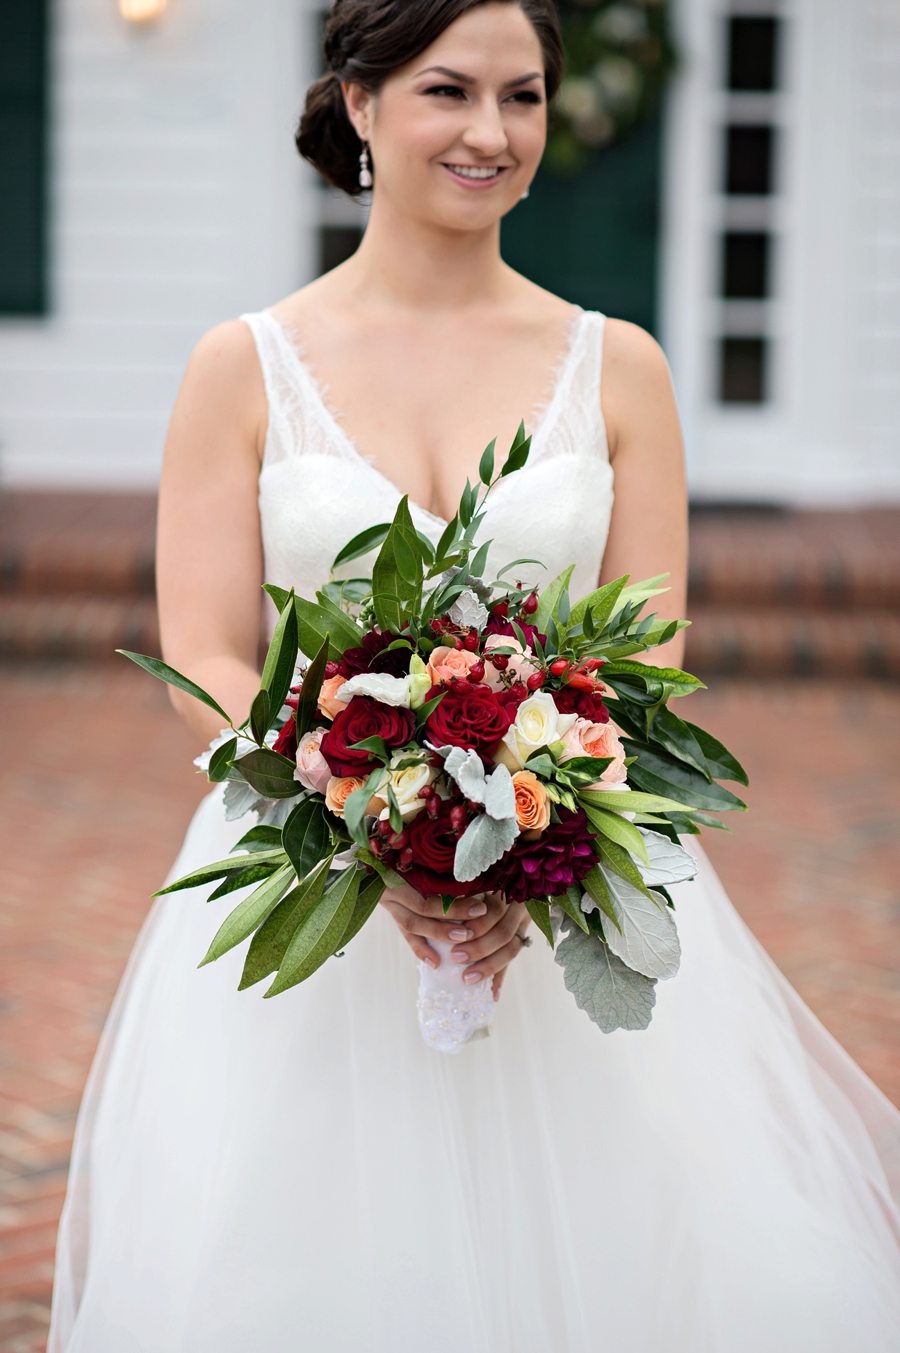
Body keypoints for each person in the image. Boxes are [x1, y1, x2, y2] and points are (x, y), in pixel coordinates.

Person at [49, 1, 900, 1348]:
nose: (492, 133)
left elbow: (650, 656)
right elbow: (205, 652)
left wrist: (522, 841)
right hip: (308, 873)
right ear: (361, 103)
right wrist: (352, 813)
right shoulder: (244, 367)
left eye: (525, 97)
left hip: (566, 875)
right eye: (449, 91)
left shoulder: (620, 369)